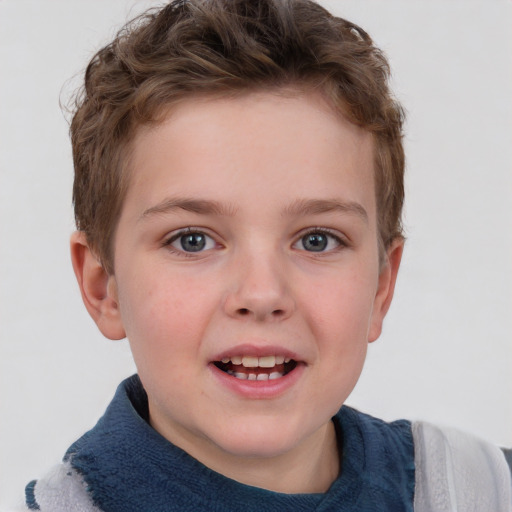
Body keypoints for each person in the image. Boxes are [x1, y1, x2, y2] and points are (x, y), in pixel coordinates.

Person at [22, 0, 512, 510]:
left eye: (317, 239)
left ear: (381, 287)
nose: (261, 294)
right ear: (104, 287)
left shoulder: (484, 491)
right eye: (192, 239)